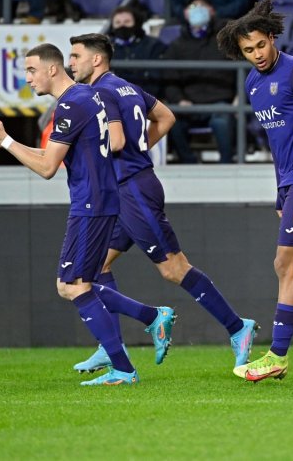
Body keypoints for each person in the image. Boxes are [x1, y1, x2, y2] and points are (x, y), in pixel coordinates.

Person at [0, 43, 174, 386]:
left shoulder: (70, 105)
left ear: (52, 69)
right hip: (100, 199)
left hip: (91, 203)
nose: (28, 78)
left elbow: (47, 167)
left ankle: (125, 365)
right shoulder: (87, 96)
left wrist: (6, 141)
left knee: (73, 286)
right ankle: (151, 319)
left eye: (32, 70)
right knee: (76, 284)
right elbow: (59, 153)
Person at [66, 33, 259, 375]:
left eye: (76, 56)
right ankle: (112, 347)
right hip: (129, 186)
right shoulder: (127, 87)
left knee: (173, 268)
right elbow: (167, 117)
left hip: (132, 190)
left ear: (97, 60)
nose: (71, 63)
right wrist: (140, 151)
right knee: (96, 268)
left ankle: (236, 327)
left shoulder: (100, 92)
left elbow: (118, 141)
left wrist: (97, 155)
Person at [216, 0, 293, 383]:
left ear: (272, 38)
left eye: (260, 45)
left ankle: (277, 356)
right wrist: (280, 195)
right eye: (247, 50)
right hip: (289, 183)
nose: (256, 55)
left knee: (283, 263)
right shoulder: (253, 83)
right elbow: (278, 145)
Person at [163, 0, 237, 164]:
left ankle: (226, 165)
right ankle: (189, 164)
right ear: (185, 13)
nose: (198, 10)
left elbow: (243, 70)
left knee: (222, 120)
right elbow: (170, 79)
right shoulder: (176, 46)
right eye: (193, 7)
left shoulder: (226, 41)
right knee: (172, 120)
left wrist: (240, 96)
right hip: (189, 104)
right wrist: (179, 100)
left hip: (220, 101)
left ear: (212, 11)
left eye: (202, 6)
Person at [107, 6, 168, 99]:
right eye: (118, 23)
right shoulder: (105, 48)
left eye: (127, 22)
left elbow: (155, 79)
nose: (122, 26)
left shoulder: (153, 45)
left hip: (146, 101)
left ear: (136, 23)